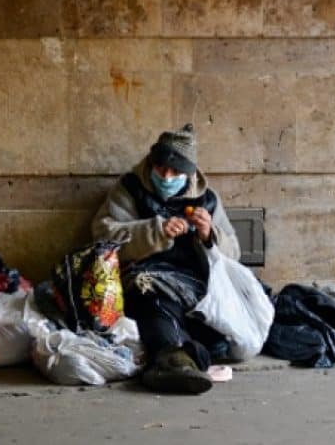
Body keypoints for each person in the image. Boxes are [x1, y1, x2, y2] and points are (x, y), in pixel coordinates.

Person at [92, 123, 240, 394]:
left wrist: (209, 235)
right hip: (146, 278)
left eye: (176, 171)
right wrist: (155, 231)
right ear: (151, 163)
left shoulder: (207, 199)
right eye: (161, 168)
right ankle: (172, 361)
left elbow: (234, 252)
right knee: (157, 305)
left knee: (212, 323)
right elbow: (104, 235)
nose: (167, 176)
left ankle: (183, 358)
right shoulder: (130, 189)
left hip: (192, 282)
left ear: (190, 172)